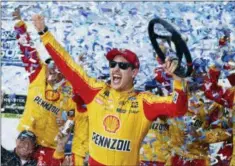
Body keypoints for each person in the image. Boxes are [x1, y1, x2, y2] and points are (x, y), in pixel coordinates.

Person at [31, 14, 188, 165]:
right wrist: (44, 34)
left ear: (134, 72)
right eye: (113, 65)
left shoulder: (144, 101)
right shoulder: (95, 91)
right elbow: (68, 65)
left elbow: (178, 108)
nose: (116, 69)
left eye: (123, 66)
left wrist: (178, 80)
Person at [13, 9, 88, 165]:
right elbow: (26, 49)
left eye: (57, 66)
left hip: (49, 149)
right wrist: (19, 24)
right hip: (26, 142)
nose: (53, 69)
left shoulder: (71, 91)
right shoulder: (37, 74)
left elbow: (77, 117)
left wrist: (67, 119)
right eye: (49, 64)